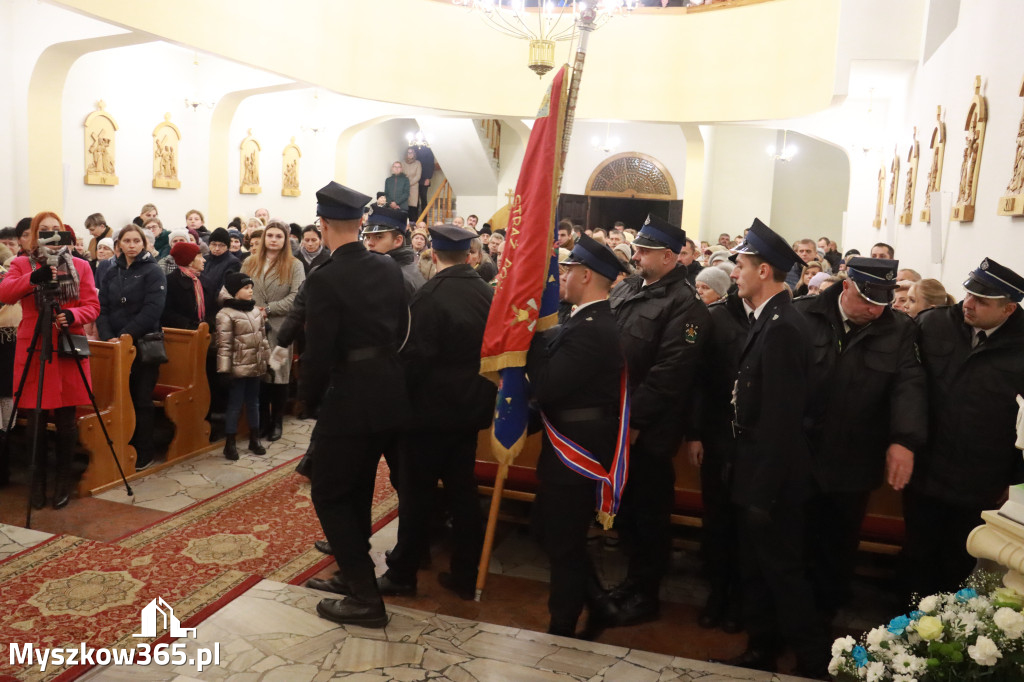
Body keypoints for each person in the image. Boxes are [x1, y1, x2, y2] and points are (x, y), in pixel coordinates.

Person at [793, 257, 926, 624]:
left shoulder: (899, 329)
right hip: (798, 455)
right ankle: (779, 624)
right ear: (846, 285)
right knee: (790, 546)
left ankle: (822, 625)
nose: (874, 310)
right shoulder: (803, 314)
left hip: (853, 459)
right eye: (868, 300)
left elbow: (909, 386)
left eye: (883, 302)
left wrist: (904, 439)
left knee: (836, 550)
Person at [301, 181, 410, 628]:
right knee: (360, 484)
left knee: (328, 492)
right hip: (389, 389)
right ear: (362, 223)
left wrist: (309, 402)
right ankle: (351, 575)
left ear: (323, 225)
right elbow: (404, 326)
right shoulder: (388, 268)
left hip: (349, 396)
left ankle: (366, 597)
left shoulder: (325, 278)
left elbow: (319, 350)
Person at [725, 218, 828, 678]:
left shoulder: (784, 326)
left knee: (782, 572)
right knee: (757, 569)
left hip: (774, 479)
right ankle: (761, 646)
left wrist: (762, 493)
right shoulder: (770, 318)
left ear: (764, 271)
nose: (735, 273)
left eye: (742, 265)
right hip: (755, 469)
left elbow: (782, 420)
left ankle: (813, 660)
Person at [378, 224, 496, 601]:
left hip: (429, 414)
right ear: (469, 254)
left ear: (433, 253)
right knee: (463, 492)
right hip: (471, 409)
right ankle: (466, 572)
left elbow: (413, 358)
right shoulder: (486, 293)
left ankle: (403, 573)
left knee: (416, 496)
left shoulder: (430, 295)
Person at [607, 215, 710, 625]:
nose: (636, 255)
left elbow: (670, 375)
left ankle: (646, 594)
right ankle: (631, 583)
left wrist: (635, 421)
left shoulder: (687, 306)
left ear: (669, 257)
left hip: (647, 432)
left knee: (649, 515)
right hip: (618, 422)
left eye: (645, 251)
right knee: (627, 514)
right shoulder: (633, 286)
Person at [527, 235, 629, 638]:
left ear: (586, 276)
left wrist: (531, 336)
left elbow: (549, 384)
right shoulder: (585, 320)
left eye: (567, 270)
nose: (561, 276)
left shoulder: (592, 328)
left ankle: (563, 623)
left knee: (564, 541)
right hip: (568, 439)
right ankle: (599, 601)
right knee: (549, 529)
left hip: (577, 447)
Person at [905, 258, 1024, 597]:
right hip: (926, 468)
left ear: (1009, 309)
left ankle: (941, 632)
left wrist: (1015, 480)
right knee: (916, 554)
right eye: (968, 294)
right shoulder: (934, 324)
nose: (967, 304)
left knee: (956, 559)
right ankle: (902, 627)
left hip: (980, 477)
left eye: (981, 301)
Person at [0, 213, 100, 509]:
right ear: (33, 235)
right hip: (34, 345)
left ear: (64, 233)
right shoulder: (22, 263)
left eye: (55, 230)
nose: (50, 235)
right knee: (37, 420)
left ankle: (62, 483)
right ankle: (37, 483)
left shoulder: (80, 265)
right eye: (43, 231)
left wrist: (72, 315)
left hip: (68, 345)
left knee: (67, 422)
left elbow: (92, 305)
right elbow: (5, 292)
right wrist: (34, 278)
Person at [685, 267, 752, 634]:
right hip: (716, 434)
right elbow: (698, 381)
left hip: (754, 440)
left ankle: (741, 598)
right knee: (717, 519)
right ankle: (717, 593)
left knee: (748, 523)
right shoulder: (715, 318)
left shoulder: (775, 319)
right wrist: (694, 433)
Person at [96, 223, 167, 472]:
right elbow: (101, 306)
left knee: (141, 398)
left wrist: (127, 335)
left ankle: (143, 451)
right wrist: (108, 336)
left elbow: (153, 309)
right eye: (127, 241)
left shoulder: (153, 271)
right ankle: (120, 447)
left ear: (144, 243)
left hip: (144, 344)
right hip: (115, 344)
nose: (132, 245)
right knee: (118, 398)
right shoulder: (110, 270)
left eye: (136, 241)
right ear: (119, 244)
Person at [242, 219, 305, 442]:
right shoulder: (250, 262)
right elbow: (239, 288)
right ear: (263, 238)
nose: (274, 240)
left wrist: (268, 309)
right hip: (254, 326)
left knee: (278, 374)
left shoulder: (294, 264)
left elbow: (297, 296)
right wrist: (252, 308)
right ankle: (262, 422)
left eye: (279, 236)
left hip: (281, 327)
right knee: (259, 376)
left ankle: (277, 421)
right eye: (270, 236)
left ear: (285, 240)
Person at [216, 271, 270, 461]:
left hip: (254, 366)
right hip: (237, 368)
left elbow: (263, 340)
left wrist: (266, 362)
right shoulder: (225, 314)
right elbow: (224, 345)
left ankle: (254, 439)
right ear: (233, 291)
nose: (250, 292)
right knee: (235, 405)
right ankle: (229, 443)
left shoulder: (255, 311)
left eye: (251, 288)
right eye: (245, 288)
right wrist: (224, 370)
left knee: (254, 403)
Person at [362, 206, 425, 295]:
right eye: (367, 237)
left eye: (378, 237)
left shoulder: (396, 278)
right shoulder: (398, 269)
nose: (369, 243)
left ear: (398, 241)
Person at [161, 242, 206, 330]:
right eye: (200, 256)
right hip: (181, 334)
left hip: (202, 333)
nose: (204, 260)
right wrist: (189, 325)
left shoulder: (202, 280)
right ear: (189, 261)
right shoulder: (170, 281)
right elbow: (166, 312)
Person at [401, 147, 422, 224]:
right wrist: (405, 184)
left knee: (413, 206)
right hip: (404, 187)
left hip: (414, 187)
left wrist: (409, 183)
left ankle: (413, 223)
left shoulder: (418, 163)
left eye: (411, 153)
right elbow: (401, 174)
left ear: (414, 154)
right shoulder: (402, 163)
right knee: (405, 206)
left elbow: (418, 176)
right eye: (408, 153)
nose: (410, 154)